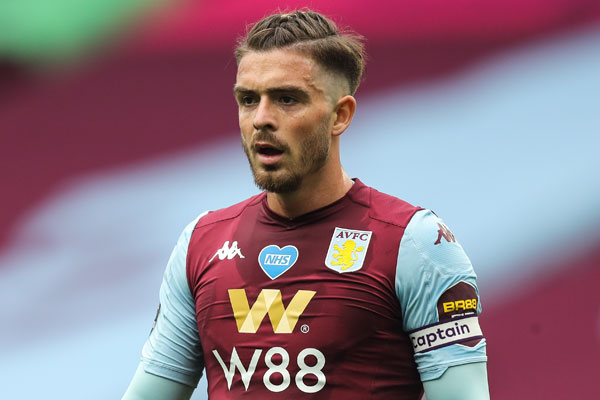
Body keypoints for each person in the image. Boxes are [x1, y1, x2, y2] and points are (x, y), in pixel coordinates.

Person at [123, 9, 488, 400]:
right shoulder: (201, 243)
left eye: (287, 99)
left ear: (340, 115)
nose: (261, 119)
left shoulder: (415, 244)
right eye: (248, 100)